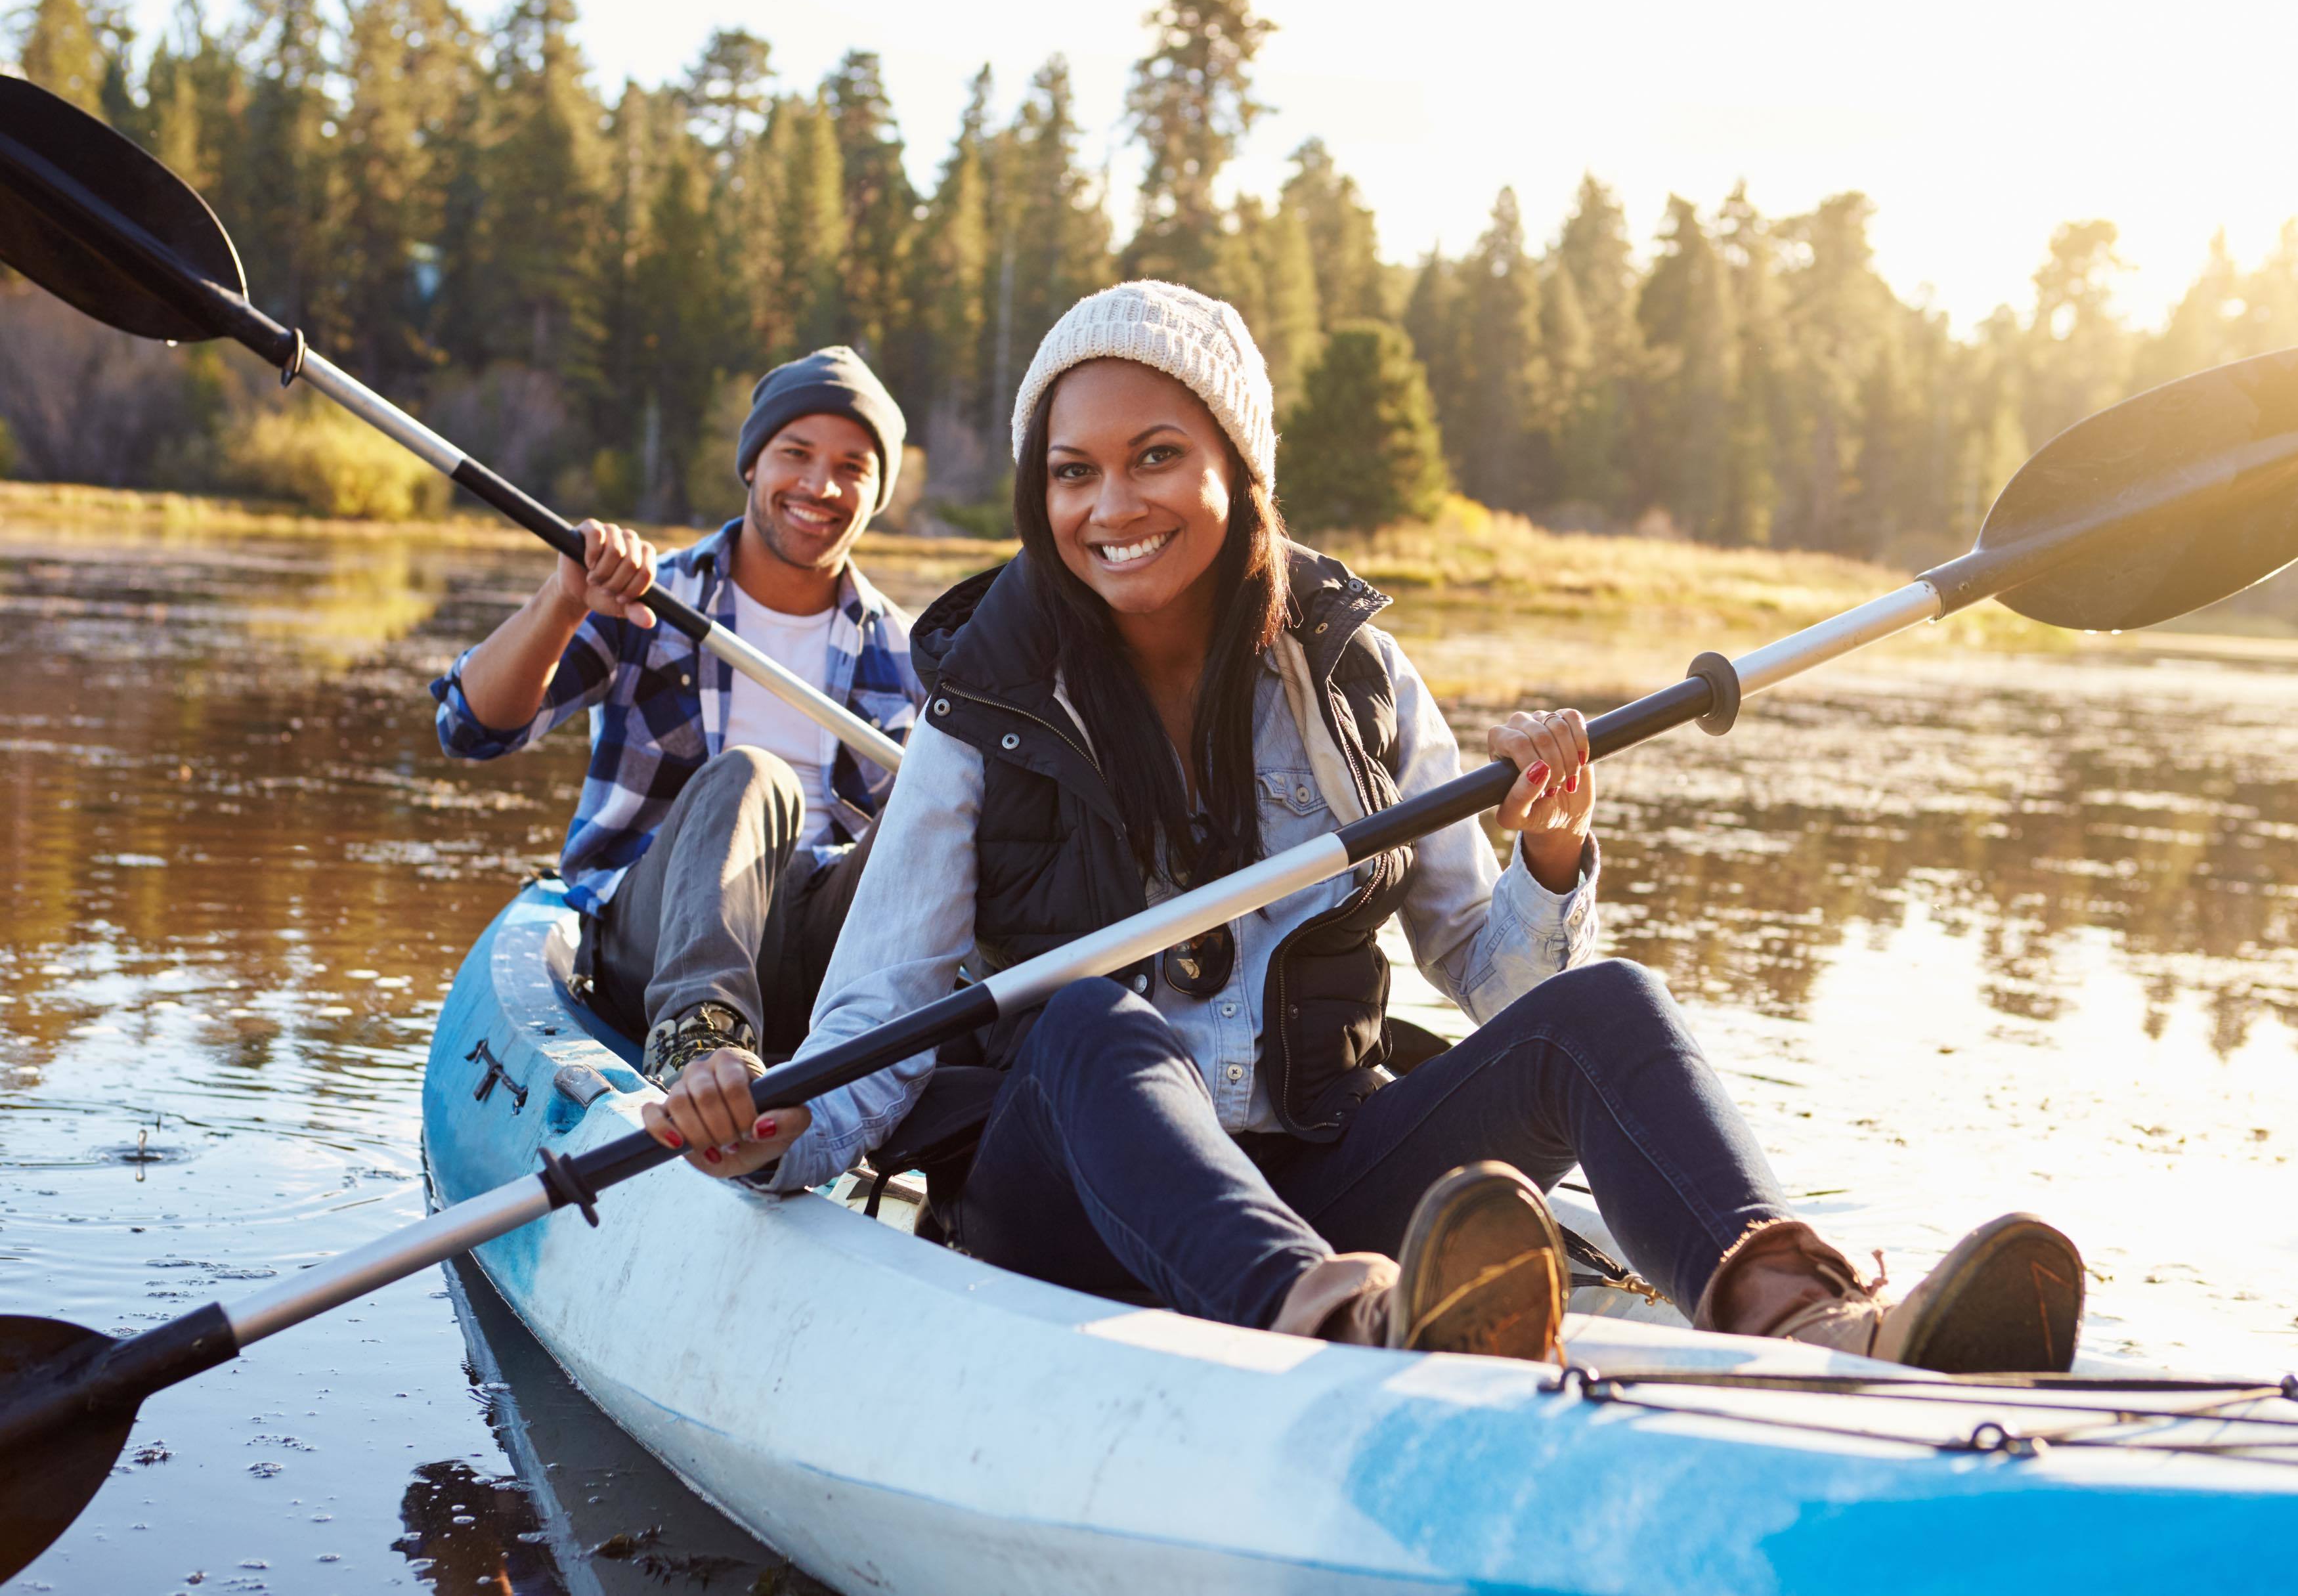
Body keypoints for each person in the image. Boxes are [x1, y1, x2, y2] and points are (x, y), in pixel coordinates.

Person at [640, 283, 2086, 1370]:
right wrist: (769, 1126)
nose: (1109, 504)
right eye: (1072, 471)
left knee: (1608, 1005)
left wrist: (1550, 857)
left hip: (1321, 1171)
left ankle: (1811, 1318)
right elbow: (881, 1012)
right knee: (1088, 1023)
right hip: (1071, 1197)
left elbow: (1493, 975)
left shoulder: (1358, 681)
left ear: (1237, 469)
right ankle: (1337, 1323)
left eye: (1155, 456)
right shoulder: (983, 705)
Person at [431, 347, 924, 1085]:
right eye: (796, 453)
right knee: (751, 777)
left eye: (852, 467)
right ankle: (699, 1039)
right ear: (752, 465)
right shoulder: (646, 597)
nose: (820, 486)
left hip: (826, 954)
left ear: (877, 493)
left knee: (943, 799)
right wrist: (564, 601)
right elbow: (469, 729)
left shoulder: (908, 651)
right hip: (656, 932)